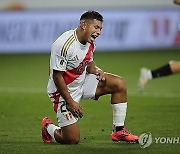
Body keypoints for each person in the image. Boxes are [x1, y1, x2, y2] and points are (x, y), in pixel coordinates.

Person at [42, 10, 138, 144]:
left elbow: (88, 63)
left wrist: (98, 71)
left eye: (100, 28)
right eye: (96, 27)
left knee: (119, 83)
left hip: (82, 81)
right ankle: (48, 127)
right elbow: (57, 77)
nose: (99, 32)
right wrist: (70, 102)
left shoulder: (90, 42)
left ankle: (118, 131)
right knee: (71, 140)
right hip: (63, 90)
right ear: (84, 25)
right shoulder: (64, 45)